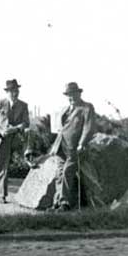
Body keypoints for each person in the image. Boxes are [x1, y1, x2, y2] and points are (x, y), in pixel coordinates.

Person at [49, 82, 96, 211]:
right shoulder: (64, 109)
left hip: (74, 148)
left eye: (73, 94)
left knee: (67, 172)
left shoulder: (87, 108)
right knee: (59, 174)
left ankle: (65, 204)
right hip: (60, 146)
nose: (71, 97)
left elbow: (89, 127)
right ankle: (57, 203)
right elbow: (60, 129)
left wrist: (82, 143)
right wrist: (54, 147)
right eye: (68, 95)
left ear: (79, 93)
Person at [0, 79, 30, 203]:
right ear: (7, 92)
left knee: (29, 152)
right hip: (1, 139)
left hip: (16, 138)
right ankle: (2, 195)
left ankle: (32, 163)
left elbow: (26, 123)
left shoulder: (23, 105)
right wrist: (0, 131)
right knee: (1, 166)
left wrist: (15, 128)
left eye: (16, 90)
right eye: (11, 91)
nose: (14, 93)